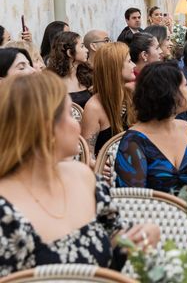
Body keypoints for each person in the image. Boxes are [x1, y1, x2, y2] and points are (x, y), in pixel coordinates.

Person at [0, 72, 159, 276]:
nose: (78, 123)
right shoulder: (5, 209)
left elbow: (111, 240)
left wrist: (141, 234)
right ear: (45, 128)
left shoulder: (83, 176)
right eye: (69, 115)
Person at [115, 62, 187, 195]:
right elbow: (132, 200)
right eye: (185, 86)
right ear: (169, 93)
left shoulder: (186, 129)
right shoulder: (134, 142)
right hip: (154, 214)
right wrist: (180, 210)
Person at [82, 43, 136, 156]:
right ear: (116, 67)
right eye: (129, 61)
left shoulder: (130, 95)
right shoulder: (93, 107)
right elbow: (87, 154)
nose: (134, 65)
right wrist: (99, 165)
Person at [46, 31, 93, 108]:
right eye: (82, 46)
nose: (87, 50)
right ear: (70, 53)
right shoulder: (53, 82)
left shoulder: (88, 75)